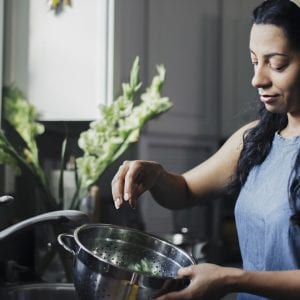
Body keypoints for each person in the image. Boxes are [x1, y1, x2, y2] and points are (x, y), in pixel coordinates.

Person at [111, 0, 300, 299]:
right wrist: (157, 175)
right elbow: (185, 190)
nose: (258, 79)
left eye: (276, 64)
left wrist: (230, 279)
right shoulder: (254, 138)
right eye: (254, 61)